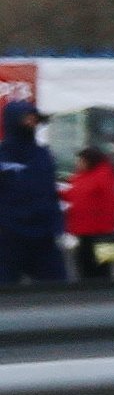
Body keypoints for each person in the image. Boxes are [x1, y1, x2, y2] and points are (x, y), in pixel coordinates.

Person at [0, 104, 57, 286]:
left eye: (35, 119)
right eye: (27, 118)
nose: (32, 123)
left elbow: (49, 193)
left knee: (58, 292)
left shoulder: (43, 155)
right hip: (8, 239)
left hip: (43, 238)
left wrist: (55, 223)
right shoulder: (3, 156)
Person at [63, 131, 114, 283]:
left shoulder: (101, 176)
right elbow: (74, 194)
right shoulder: (83, 176)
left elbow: (81, 196)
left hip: (101, 234)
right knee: (87, 271)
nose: (77, 164)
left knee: (101, 273)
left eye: (80, 160)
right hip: (84, 233)